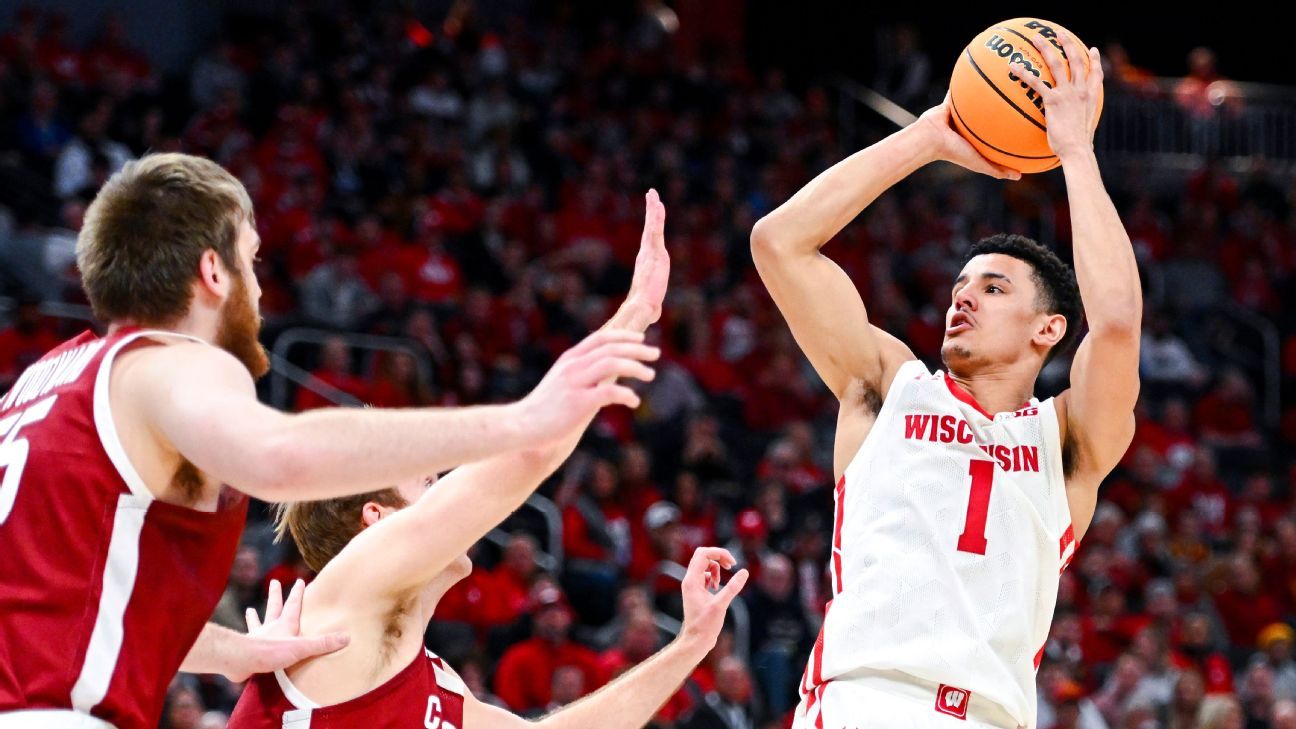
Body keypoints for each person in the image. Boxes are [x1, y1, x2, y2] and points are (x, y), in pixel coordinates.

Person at [0, 153, 657, 729]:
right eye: (251, 261)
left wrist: (234, 653)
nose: (260, 288)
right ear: (213, 271)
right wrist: (528, 416)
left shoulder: (43, 383)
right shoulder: (164, 359)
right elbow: (281, 458)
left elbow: (84, 605)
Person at [229, 191, 750, 729]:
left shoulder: (431, 677)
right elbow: (533, 451)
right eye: (430, 485)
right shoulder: (344, 600)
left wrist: (689, 645)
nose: (452, 493)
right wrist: (635, 314)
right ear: (377, 520)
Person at [752, 32, 1140, 729]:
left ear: (1047, 329)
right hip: (864, 701)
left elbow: (1114, 324)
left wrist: (1076, 151)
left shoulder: (1068, 439)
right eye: (961, 285)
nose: (963, 297)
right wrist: (925, 137)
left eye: (993, 288)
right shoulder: (888, 385)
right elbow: (779, 243)